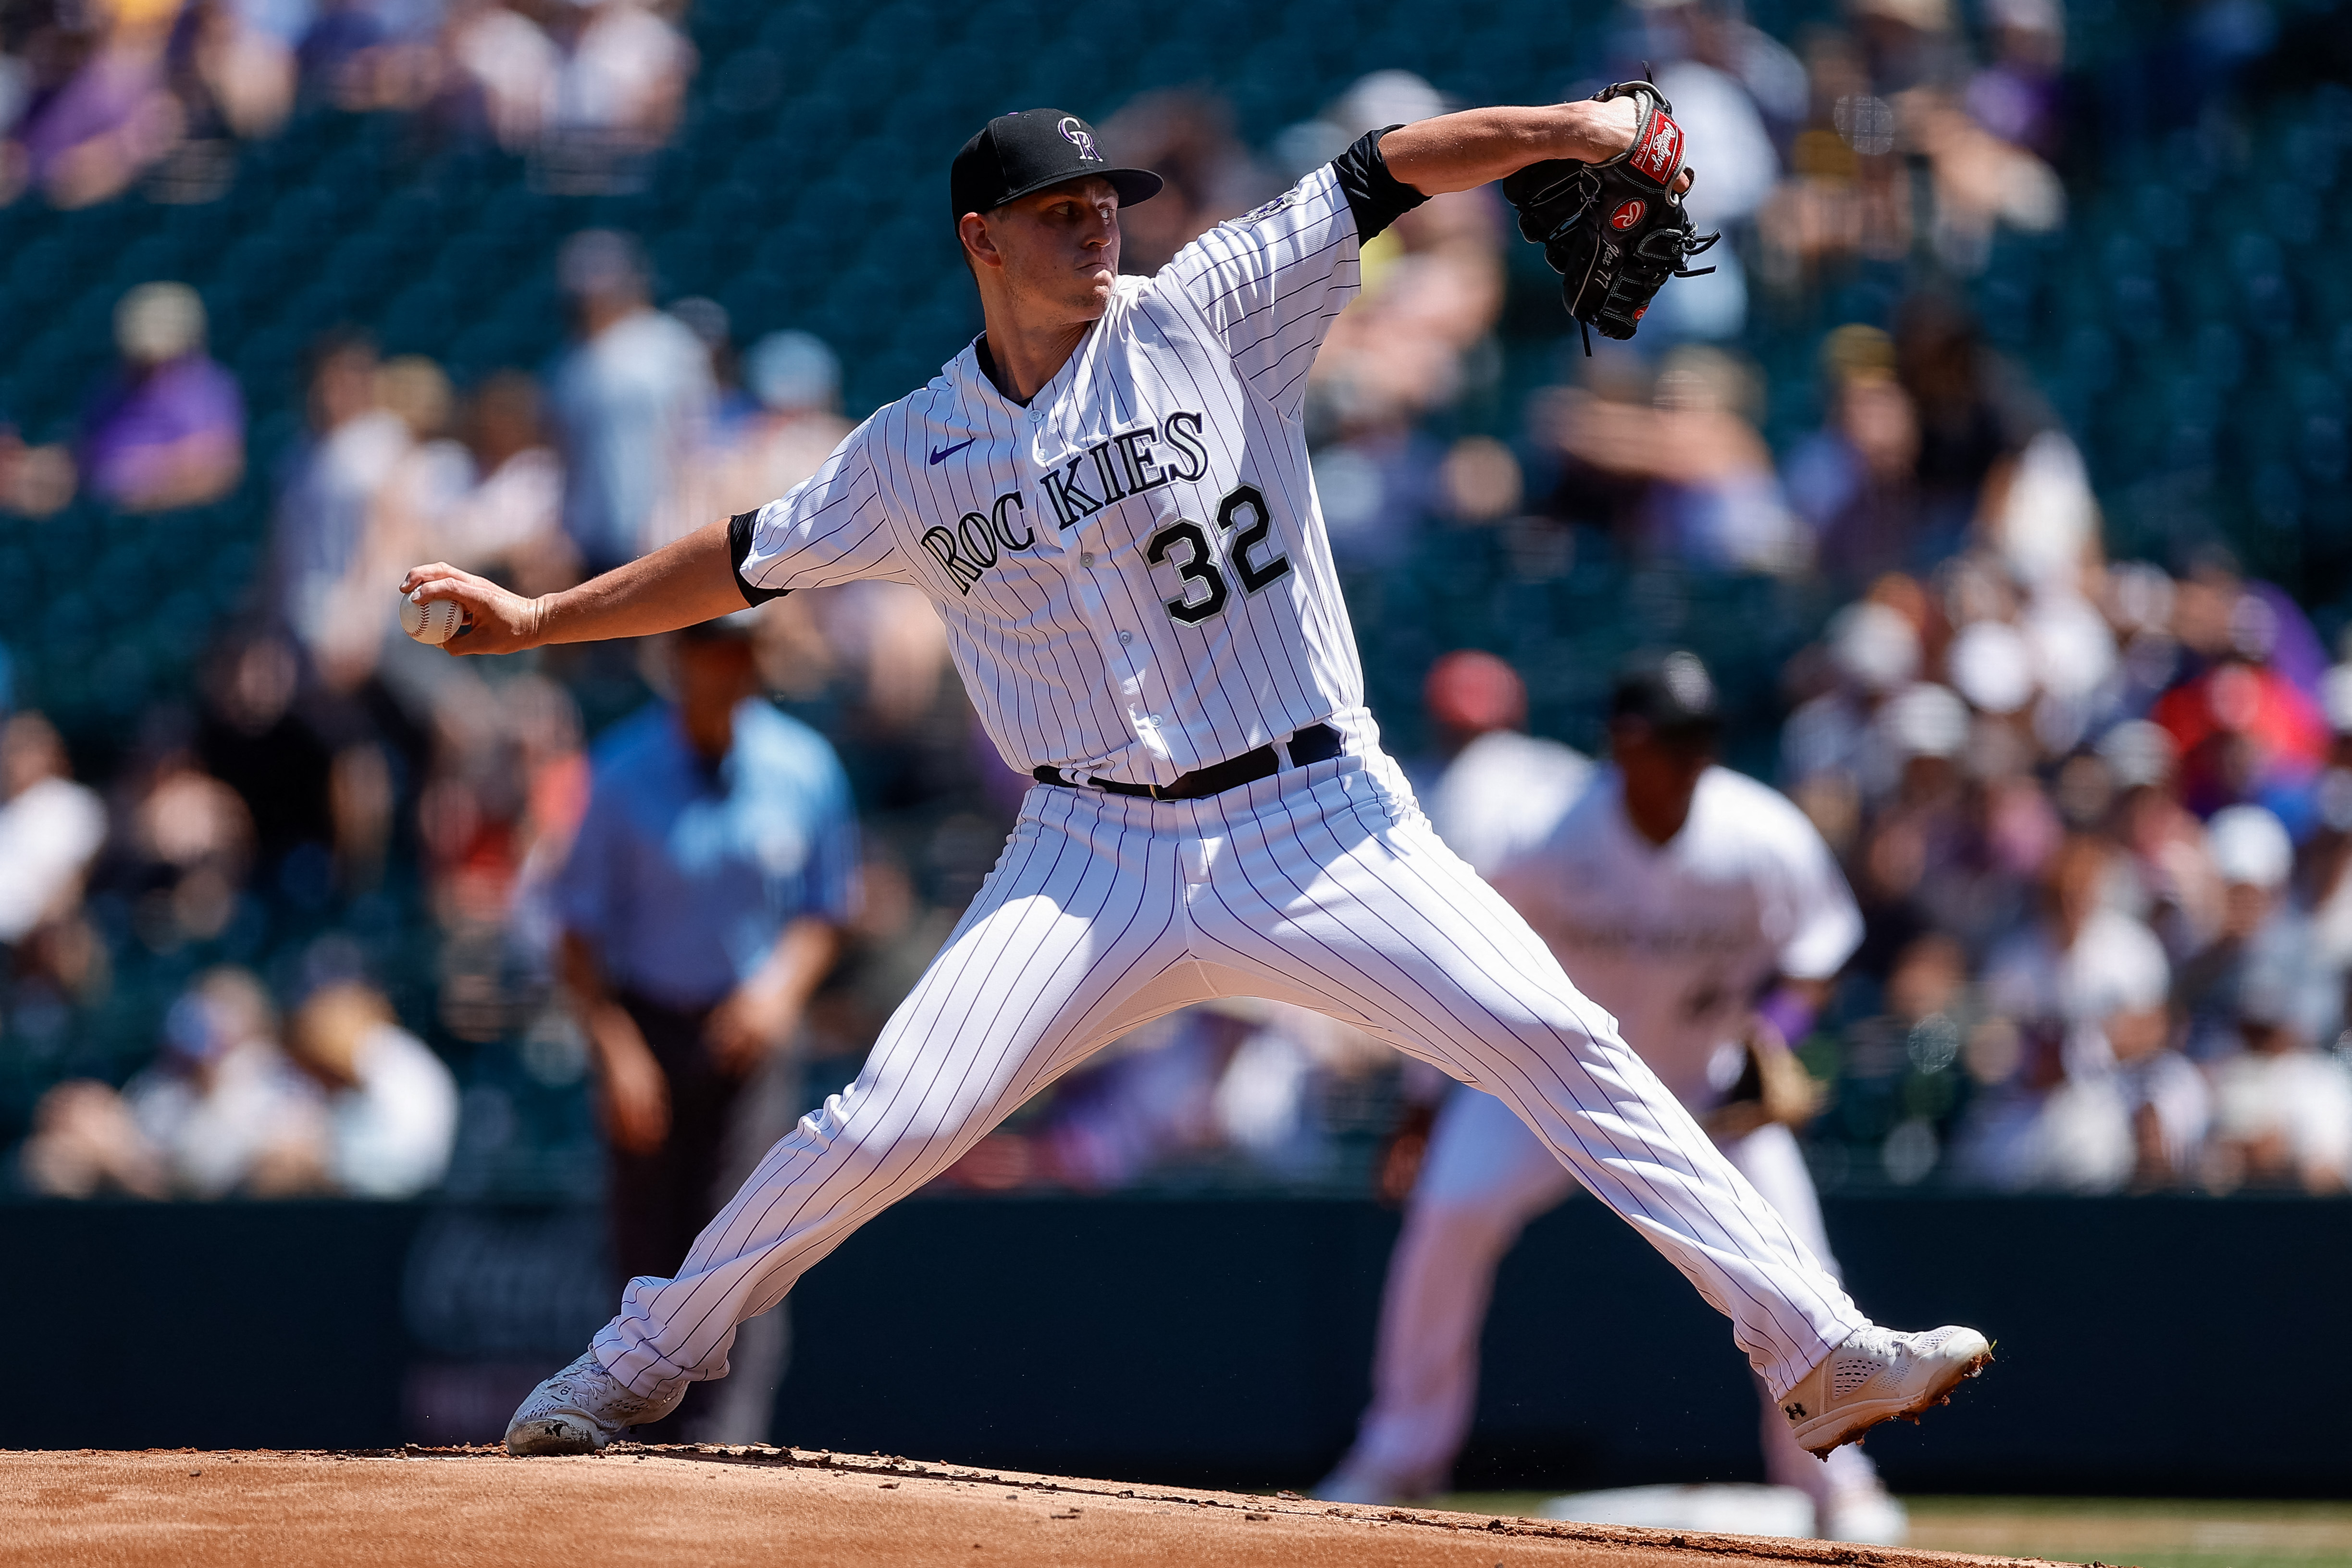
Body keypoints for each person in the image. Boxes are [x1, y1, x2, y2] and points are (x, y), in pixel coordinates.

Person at [401, 102, 1990, 1461]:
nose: (1100, 228)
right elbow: (739, 559)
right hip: (1083, 847)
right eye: (1062, 211)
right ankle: (634, 1361)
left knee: (1556, 1034)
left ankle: (1816, 1346)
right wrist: (546, 616)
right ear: (981, 239)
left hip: (1315, 819)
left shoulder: (1209, 304)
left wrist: (1576, 130)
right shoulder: (907, 451)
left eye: (1108, 204)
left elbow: (1380, 168)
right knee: (887, 1112)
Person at [1317, 652, 1906, 1543]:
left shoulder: (1759, 835)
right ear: (1618, 745)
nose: (1682, 757)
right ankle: (1398, 1453)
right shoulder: (1542, 837)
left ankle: (1835, 1481)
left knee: (1797, 1259)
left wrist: (1776, 1034)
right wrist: (1423, 1103)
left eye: (1697, 738)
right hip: (1549, 1081)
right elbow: (1453, 964)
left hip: (1703, 1089)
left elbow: (1817, 952)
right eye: (1664, 738)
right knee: (1450, 1210)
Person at [549, 614, 857, 1441]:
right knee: (645, 1248)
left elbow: (826, 912)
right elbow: (576, 936)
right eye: (711, 649)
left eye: (741, 649)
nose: (728, 666)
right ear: (675, 660)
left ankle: (726, 1448)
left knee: (749, 1244)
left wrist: (776, 994)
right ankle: (633, 1434)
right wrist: (616, 1053)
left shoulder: (803, 765)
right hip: (647, 1025)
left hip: (751, 1037)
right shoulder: (618, 773)